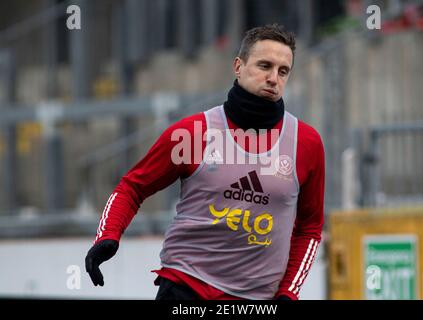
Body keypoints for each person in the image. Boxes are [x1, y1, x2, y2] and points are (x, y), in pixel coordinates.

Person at [85, 23, 324, 300]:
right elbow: (132, 188)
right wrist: (108, 236)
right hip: (186, 286)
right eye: (264, 66)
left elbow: (310, 227)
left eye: (283, 71)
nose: (273, 78)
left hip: (256, 298)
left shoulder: (306, 143)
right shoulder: (192, 133)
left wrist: (289, 292)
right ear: (238, 66)